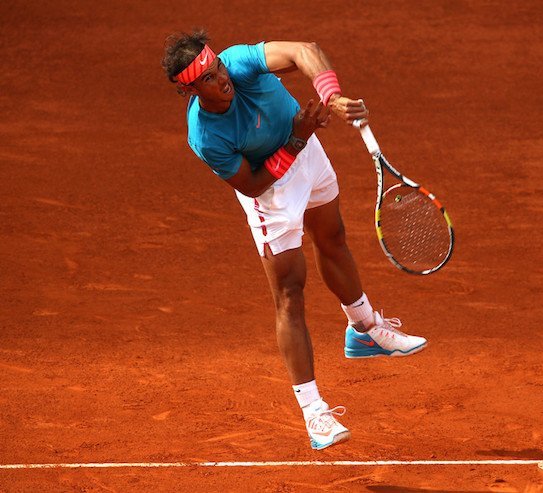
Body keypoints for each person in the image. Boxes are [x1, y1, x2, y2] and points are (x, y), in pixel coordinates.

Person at [161, 30, 428, 450]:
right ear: (190, 90)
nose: (222, 79)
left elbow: (305, 51)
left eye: (218, 68)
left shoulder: (239, 62)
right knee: (290, 293)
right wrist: (297, 138)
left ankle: (364, 329)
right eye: (208, 79)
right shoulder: (206, 136)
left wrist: (331, 97)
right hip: (271, 189)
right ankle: (314, 412)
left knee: (333, 237)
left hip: (306, 153)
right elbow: (252, 184)